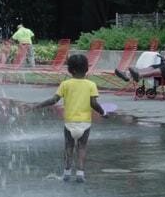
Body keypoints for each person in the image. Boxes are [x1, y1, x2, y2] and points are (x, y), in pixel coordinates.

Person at [29, 54, 107, 183]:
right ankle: (80, 173)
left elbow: (54, 100)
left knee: (68, 147)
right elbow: (93, 104)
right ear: (86, 69)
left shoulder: (65, 84)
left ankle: (66, 172)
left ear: (70, 70)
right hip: (85, 123)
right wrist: (103, 113)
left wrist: (37, 106)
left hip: (69, 123)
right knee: (82, 147)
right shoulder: (91, 85)